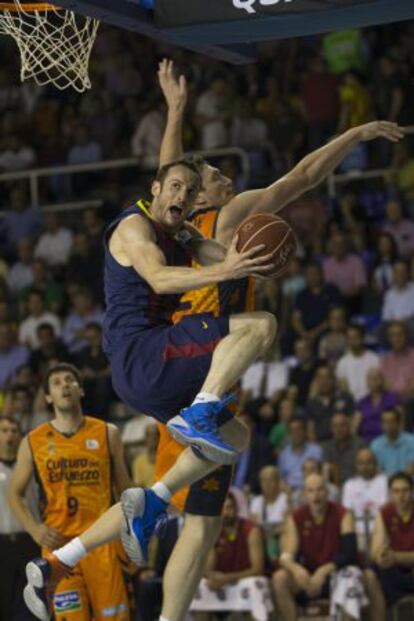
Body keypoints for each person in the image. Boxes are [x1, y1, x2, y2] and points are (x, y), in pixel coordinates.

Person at [8, 363, 133, 621]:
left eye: (70, 380)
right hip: (60, 549)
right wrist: (34, 529)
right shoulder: (33, 440)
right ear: (47, 397)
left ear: (81, 390)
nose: (64, 385)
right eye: (56, 383)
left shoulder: (107, 432)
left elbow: (126, 490)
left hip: (103, 544)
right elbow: (13, 493)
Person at [273, 474, 363, 621]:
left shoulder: (343, 514)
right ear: (304, 494)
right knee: (279, 578)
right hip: (308, 577)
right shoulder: (296, 517)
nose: (316, 495)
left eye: (320, 490)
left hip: (336, 573)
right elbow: (286, 555)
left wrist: (324, 571)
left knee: (350, 576)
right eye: (311, 491)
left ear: (327, 492)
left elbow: (350, 553)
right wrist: (296, 569)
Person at [191, 492, 272, 621]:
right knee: (200, 585)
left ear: (236, 509)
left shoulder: (251, 530)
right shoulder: (214, 531)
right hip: (223, 581)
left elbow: (258, 570)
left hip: (247, 579)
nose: (226, 512)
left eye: (229, 507)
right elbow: (209, 568)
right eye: (222, 509)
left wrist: (226, 578)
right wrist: (213, 576)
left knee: (255, 586)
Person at [0, 416, 39, 621]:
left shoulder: (31, 467)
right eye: (4, 430)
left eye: (14, 431)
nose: (9, 435)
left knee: (35, 605)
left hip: (29, 540)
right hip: (2, 544)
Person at [365, 473, 414, 621]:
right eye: (396, 491)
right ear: (390, 493)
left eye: (405, 491)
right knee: (370, 574)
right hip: (394, 571)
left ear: (412, 492)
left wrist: (396, 557)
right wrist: (382, 556)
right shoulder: (384, 513)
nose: (401, 496)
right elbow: (375, 550)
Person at [342, 448, 388, 551]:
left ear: (376, 464)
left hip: (383, 530)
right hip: (358, 532)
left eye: (369, 462)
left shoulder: (385, 482)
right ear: (356, 466)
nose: (365, 467)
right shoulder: (349, 485)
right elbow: (347, 513)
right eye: (361, 463)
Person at [306, 365, 355, 443]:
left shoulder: (345, 398)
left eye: (327, 377)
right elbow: (310, 430)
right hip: (321, 444)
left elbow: (352, 423)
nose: (324, 381)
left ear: (333, 380)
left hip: (344, 443)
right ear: (316, 381)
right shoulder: (312, 403)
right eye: (320, 378)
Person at [354, 368, 400, 442]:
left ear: (382, 380)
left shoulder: (393, 398)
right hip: (366, 440)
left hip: (387, 440)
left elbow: (401, 422)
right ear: (367, 382)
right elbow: (355, 427)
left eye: (376, 377)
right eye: (370, 378)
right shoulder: (362, 402)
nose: (374, 380)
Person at [336, 324, 380, 400]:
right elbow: (343, 388)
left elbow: (378, 384)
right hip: (351, 403)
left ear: (362, 338)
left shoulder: (374, 359)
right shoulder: (342, 362)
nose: (352, 341)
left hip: (371, 401)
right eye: (349, 338)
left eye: (355, 337)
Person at [279, 418, 322, 490]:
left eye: (299, 429)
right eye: (293, 430)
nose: (296, 433)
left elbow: (322, 473)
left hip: (313, 488)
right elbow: (282, 478)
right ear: (289, 434)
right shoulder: (284, 454)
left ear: (305, 431)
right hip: (291, 491)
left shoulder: (316, 450)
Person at [323, 412, 365, 485]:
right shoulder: (327, 447)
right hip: (335, 485)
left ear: (349, 426)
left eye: (342, 425)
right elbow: (326, 473)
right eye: (335, 426)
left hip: (357, 484)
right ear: (331, 428)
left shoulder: (359, 444)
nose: (339, 429)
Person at [370, 408, 414, 475]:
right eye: (385, 422)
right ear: (381, 424)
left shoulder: (411, 441)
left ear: (399, 423)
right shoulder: (376, 445)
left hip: (408, 481)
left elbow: (411, 469)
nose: (388, 425)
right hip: (384, 482)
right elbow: (377, 470)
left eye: (392, 421)